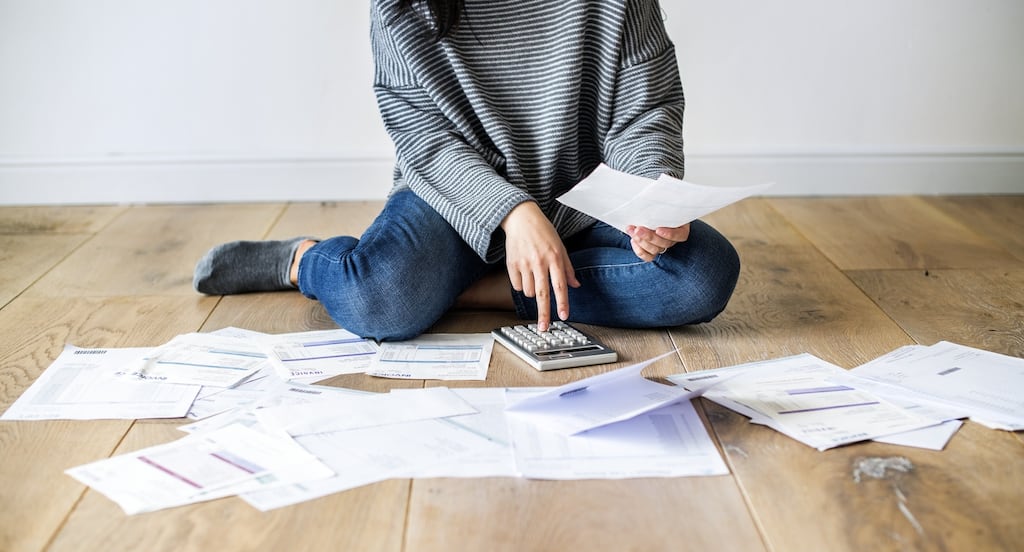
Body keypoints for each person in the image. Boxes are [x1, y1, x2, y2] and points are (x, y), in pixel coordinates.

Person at [194, 0, 740, 341]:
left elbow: (647, 107)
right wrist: (514, 213)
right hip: (453, 195)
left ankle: (471, 290)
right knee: (378, 299)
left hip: (581, 200)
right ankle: (304, 261)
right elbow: (424, 138)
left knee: (701, 274)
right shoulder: (402, 5)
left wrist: (651, 200)